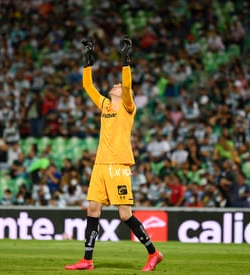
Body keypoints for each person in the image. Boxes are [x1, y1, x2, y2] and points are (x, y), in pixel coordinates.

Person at [65, 36, 163, 271]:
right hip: (100, 165)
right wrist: (87, 62)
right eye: (115, 86)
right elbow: (88, 86)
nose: (115, 86)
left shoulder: (129, 107)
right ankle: (87, 260)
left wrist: (125, 60)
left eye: (117, 86)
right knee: (92, 210)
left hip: (119, 164)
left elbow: (127, 85)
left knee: (124, 214)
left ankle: (154, 253)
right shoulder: (105, 105)